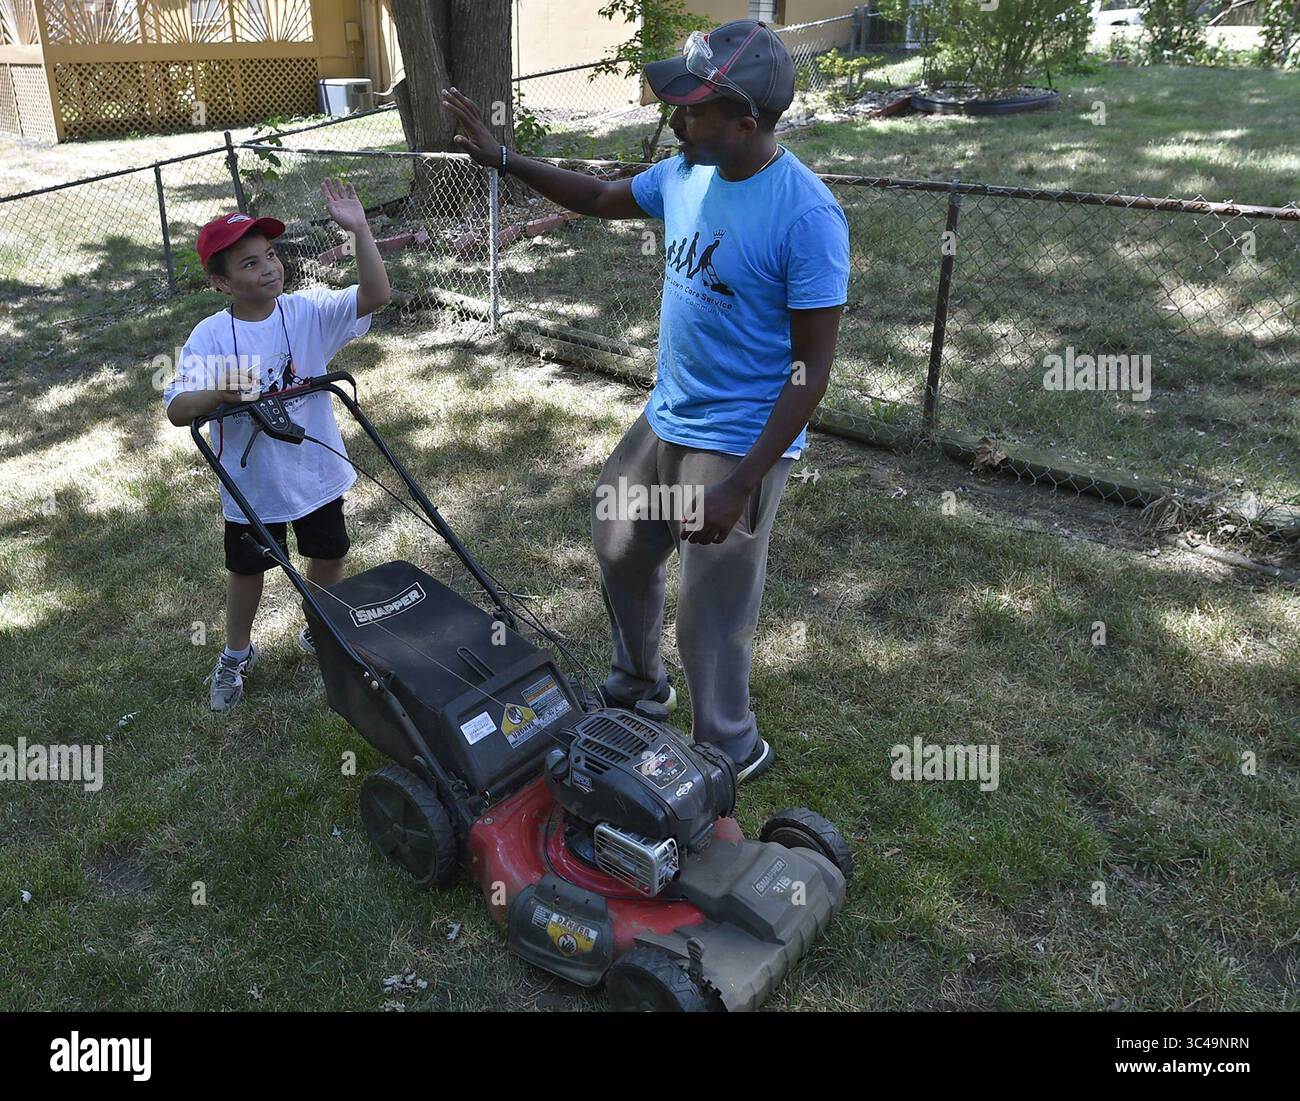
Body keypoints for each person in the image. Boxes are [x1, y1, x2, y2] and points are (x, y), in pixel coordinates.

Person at [441, 19, 849, 782]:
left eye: (691, 110)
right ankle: (637, 691)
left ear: (744, 122)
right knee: (619, 535)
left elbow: (810, 373)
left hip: (739, 437)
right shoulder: (687, 173)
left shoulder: (807, 216)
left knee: (710, 607)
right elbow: (598, 195)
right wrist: (503, 158)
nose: (674, 119)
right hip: (671, 413)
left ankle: (729, 746)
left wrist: (739, 483)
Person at [163, 180, 391, 712]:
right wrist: (220, 392)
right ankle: (236, 654)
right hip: (254, 487)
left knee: (329, 553)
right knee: (247, 570)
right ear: (220, 282)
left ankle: (321, 625)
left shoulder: (307, 312)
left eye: (269, 255)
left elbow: (375, 295)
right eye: (248, 263)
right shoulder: (211, 338)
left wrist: (360, 231)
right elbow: (177, 409)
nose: (267, 267)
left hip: (315, 471)